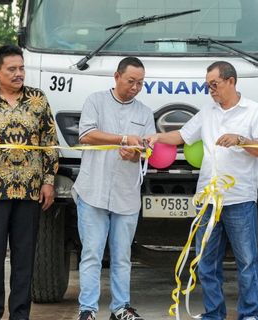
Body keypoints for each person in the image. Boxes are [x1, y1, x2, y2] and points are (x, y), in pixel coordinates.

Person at [147, 61, 258, 320]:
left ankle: (250, 314)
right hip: (207, 200)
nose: (211, 91)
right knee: (205, 263)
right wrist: (156, 137)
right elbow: (182, 136)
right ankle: (214, 313)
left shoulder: (254, 111)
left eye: (214, 85)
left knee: (247, 261)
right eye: (208, 86)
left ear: (231, 81)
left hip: (239, 199)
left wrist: (241, 140)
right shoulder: (208, 112)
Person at [0, 45, 59, 320]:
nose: (19, 74)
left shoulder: (38, 100)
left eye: (21, 68)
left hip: (30, 191)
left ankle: (20, 314)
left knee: (24, 259)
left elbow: (50, 143)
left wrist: (48, 181)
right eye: (12, 69)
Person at [73, 56, 156, 320]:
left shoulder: (144, 113)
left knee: (122, 257)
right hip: (92, 191)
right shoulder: (95, 101)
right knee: (92, 254)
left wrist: (135, 154)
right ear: (117, 77)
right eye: (131, 81)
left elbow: (148, 152)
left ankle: (121, 308)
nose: (135, 87)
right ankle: (87, 309)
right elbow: (86, 134)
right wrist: (121, 138)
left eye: (140, 83)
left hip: (126, 194)